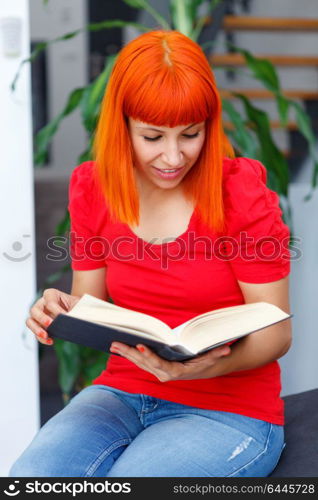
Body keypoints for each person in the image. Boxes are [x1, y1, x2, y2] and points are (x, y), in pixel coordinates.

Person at [10, 29, 292, 477]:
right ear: (121, 126)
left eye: (190, 134)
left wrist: (196, 372)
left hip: (227, 410)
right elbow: (93, 305)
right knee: (31, 479)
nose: (173, 156)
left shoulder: (240, 193)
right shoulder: (93, 187)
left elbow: (276, 333)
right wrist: (59, 309)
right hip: (121, 393)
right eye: (153, 136)